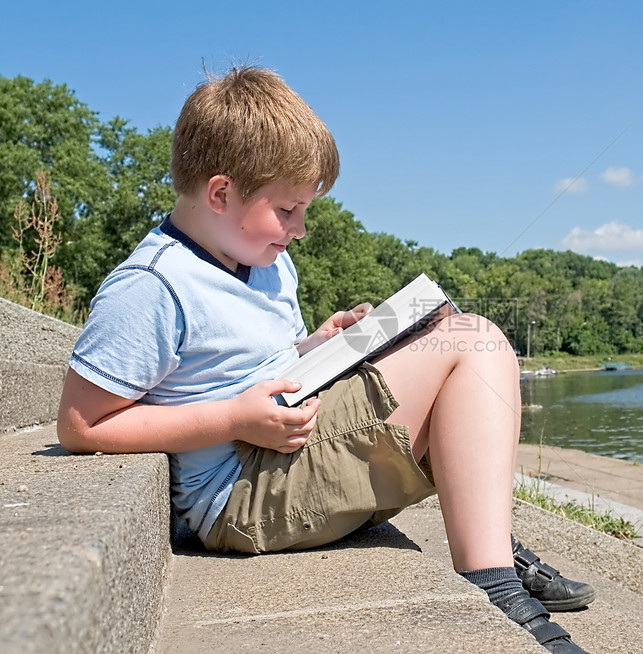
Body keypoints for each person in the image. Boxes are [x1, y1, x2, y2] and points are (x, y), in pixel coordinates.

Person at [56, 66, 594, 654]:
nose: (301, 229)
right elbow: (81, 425)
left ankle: (490, 541)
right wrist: (232, 420)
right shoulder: (153, 286)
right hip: (240, 493)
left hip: (279, 439)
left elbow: (255, 359)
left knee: (442, 327)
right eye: (288, 210)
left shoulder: (261, 257)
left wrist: (317, 345)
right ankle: (491, 581)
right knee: (477, 340)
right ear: (219, 193)